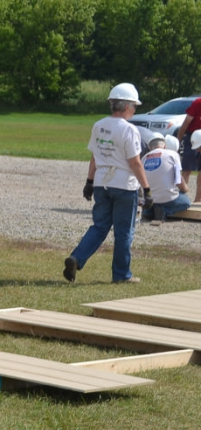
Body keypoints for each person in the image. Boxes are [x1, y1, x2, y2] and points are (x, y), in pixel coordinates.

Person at [64, 83, 152, 284]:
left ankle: (77, 258)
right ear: (128, 106)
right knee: (123, 232)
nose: (134, 110)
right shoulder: (129, 130)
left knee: (99, 226)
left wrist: (89, 181)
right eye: (134, 106)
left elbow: (95, 156)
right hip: (123, 185)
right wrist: (146, 189)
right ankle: (121, 275)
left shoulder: (99, 125)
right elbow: (135, 162)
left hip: (101, 183)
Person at [142, 136, 190, 222]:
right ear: (164, 146)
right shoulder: (173, 155)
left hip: (149, 199)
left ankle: (150, 212)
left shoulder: (144, 158)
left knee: (149, 207)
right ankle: (164, 211)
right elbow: (178, 180)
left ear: (150, 147)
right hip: (168, 198)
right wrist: (185, 189)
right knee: (186, 202)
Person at [175, 97, 201, 202]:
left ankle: (198, 201)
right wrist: (178, 141)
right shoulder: (198, 103)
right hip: (193, 137)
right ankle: (183, 199)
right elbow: (186, 123)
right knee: (186, 169)